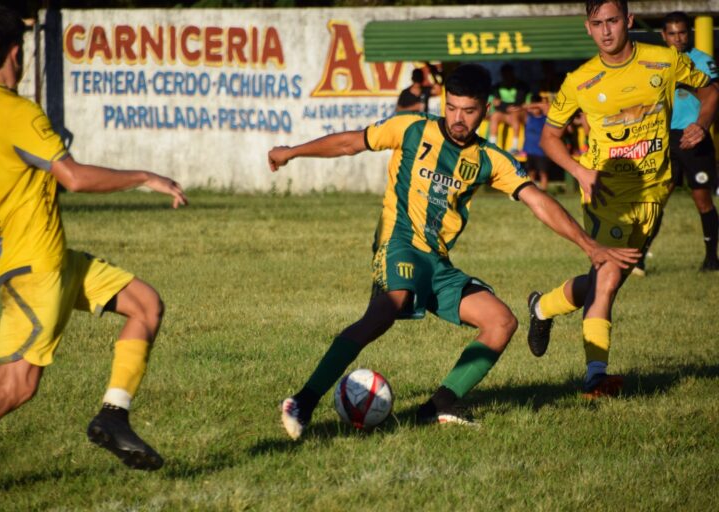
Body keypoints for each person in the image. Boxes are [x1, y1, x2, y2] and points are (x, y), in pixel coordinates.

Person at [268, 63, 640, 440]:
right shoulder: (412, 128)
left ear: (486, 107)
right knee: (386, 309)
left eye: (469, 110)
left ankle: (438, 406)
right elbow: (350, 142)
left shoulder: (489, 159)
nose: (458, 119)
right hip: (399, 243)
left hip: (437, 261)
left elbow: (538, 201)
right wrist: (292, 152)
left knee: (501, 322)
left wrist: (590, 246)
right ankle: (303, 401)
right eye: (452, 107)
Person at [0, 5, 187, 470]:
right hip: (36, 267)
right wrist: (144, 176)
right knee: (15, 387)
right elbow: (73, 177)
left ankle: (113, 415)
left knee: (145, 304)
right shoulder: (21, 113)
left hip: (46, 257)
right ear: (15, 53)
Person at [527, 0, 718, 398]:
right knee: (609, 277)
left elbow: (710, 90)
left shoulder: (664, 60)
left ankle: (542, 307)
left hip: (654, 192)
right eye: (597, 24)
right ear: (588, 28)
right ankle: (596, 377)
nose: (606, 31)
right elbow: (549, 137)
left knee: (605, 280)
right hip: (606, 195)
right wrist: (579, 171)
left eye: (612, 21)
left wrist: (701, 124)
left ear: (628, 20)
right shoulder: (580, 80)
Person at [650, 11, 718, 272]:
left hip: (693, 136)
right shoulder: (656, 63)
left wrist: (701, 126)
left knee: (702, 199)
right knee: (657, 199)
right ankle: (638, 258)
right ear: (663, 35)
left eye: (682, 32)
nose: (678, 38)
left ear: (688, 33)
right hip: (664, 138)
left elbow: (714, 96)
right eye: (672, 33)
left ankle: (711, 258)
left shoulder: (702, 61)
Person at [488, 64, 531, 155]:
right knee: (495, 115)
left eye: (509, 74)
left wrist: (503, 105)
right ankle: (492, 144)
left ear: (513, 74)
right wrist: (507, 107)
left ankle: (515, 147)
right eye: (504, 74)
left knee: (515, 114)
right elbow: (496, 104)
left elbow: (519, 102)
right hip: (506, 113)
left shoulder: (521, 86)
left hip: (519, 113)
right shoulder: (497, 87)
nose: (507, 77)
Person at [521, 99, 551, 190]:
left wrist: (538, 104)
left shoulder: (545, 118)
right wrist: (533, 105)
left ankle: (544, 191)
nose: (535, 109)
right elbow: (522, 107)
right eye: (533, 108)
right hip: (530, 151)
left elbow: (548, 107)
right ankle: (532, 190)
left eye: (537, 108)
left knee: (543, 173)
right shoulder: (528, 118)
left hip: (542, 151)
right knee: (531, 172)